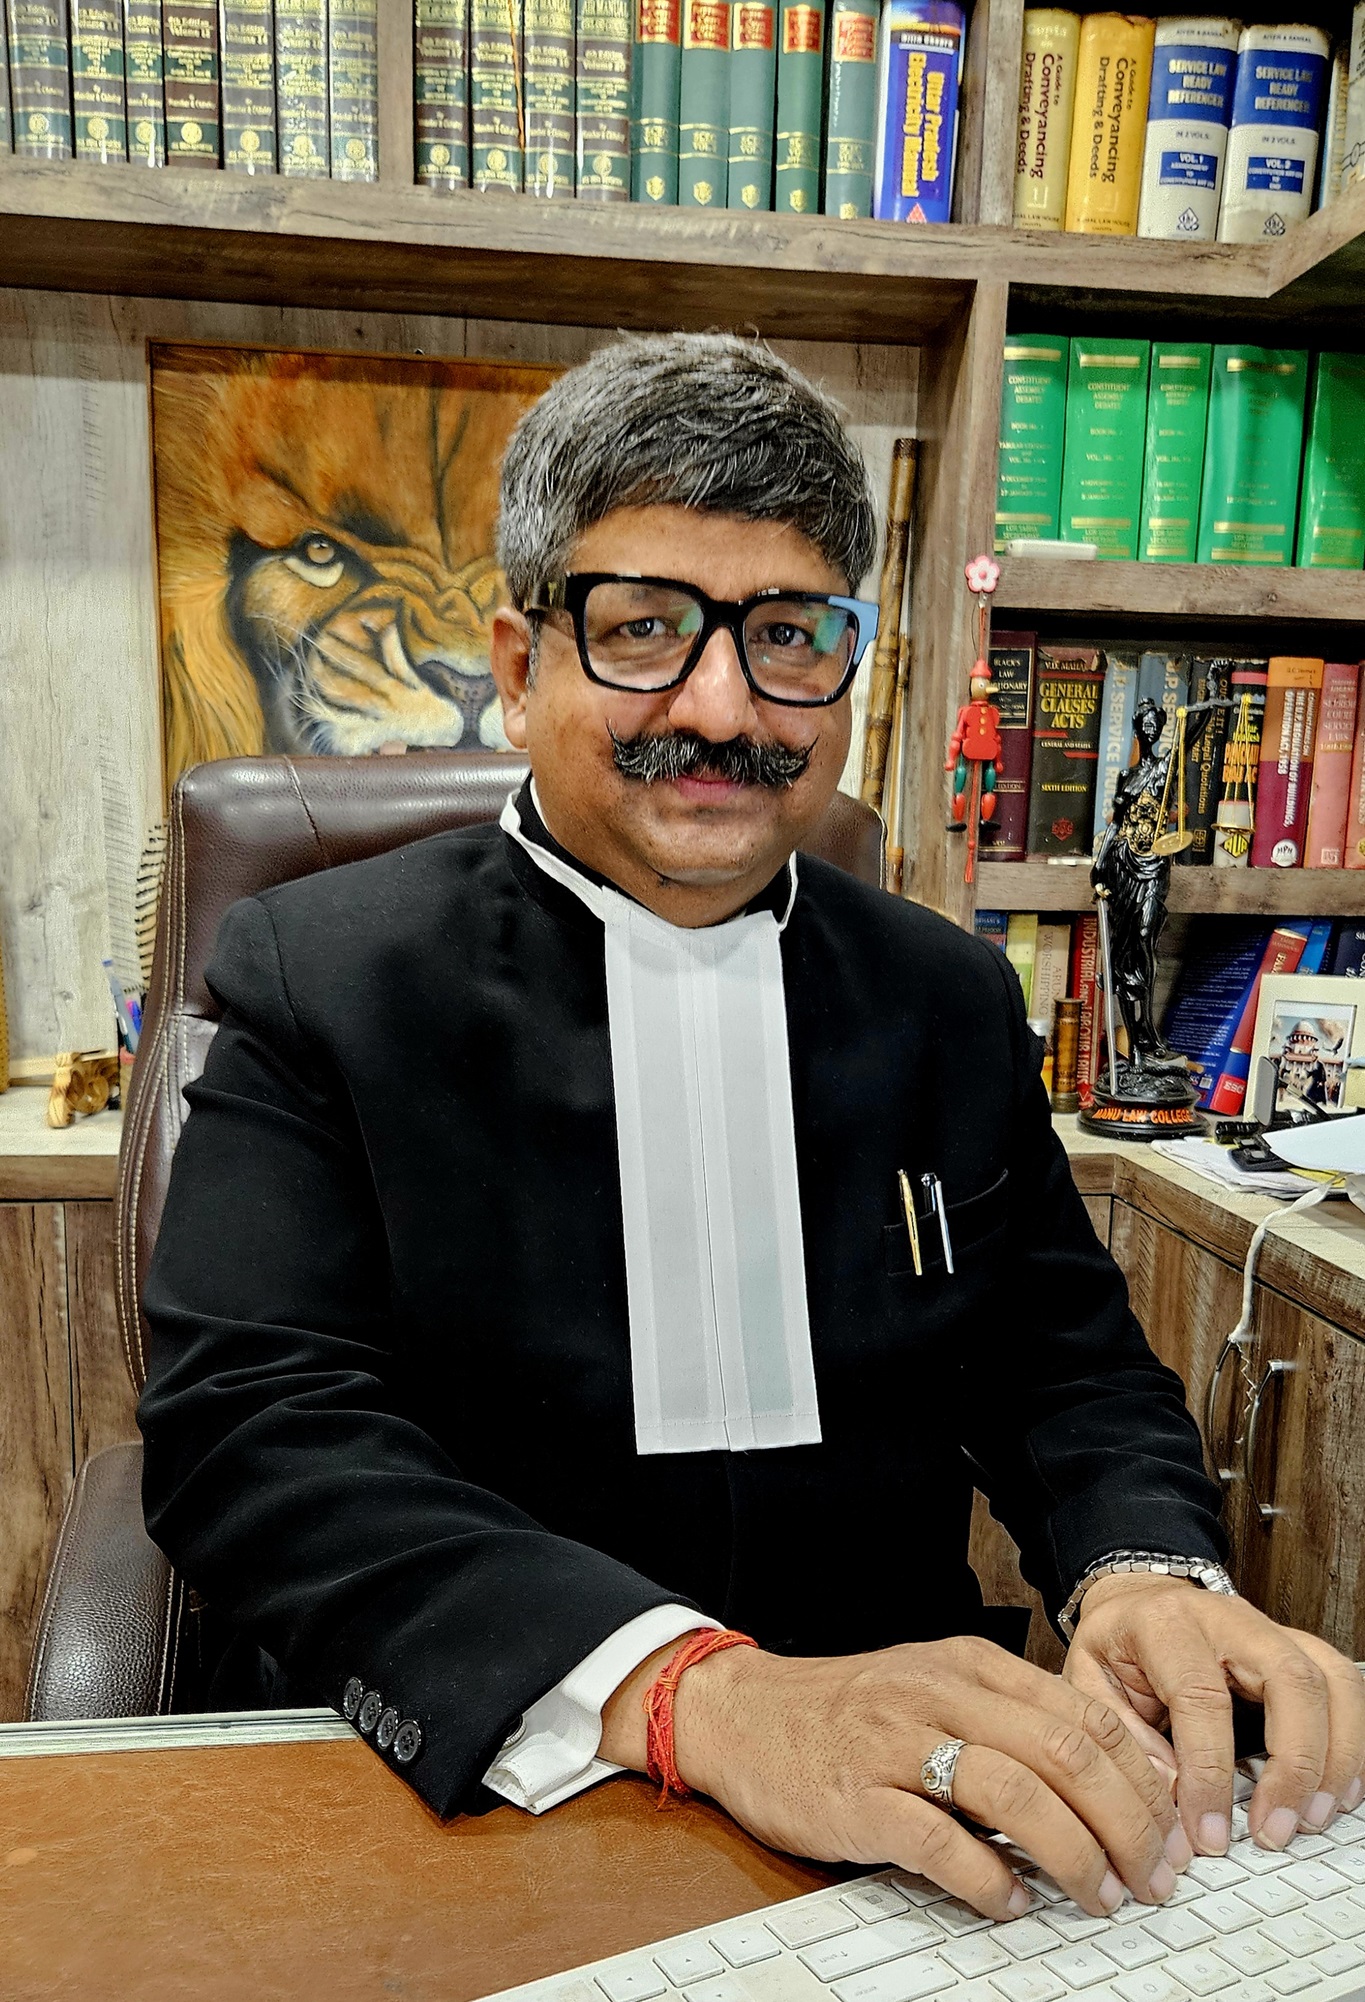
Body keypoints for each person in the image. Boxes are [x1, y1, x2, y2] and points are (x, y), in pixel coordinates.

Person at [139, 335, 1365, 1929]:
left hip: (918, 1801)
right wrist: (693, 1693)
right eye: (643, 627)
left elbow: (1061, 1366)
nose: (722, 707)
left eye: (787, 635)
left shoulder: (943, 993)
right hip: (487, 1763)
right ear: (519, 662)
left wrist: (1143, 1566)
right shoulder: (322, 974)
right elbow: (254, 1433)